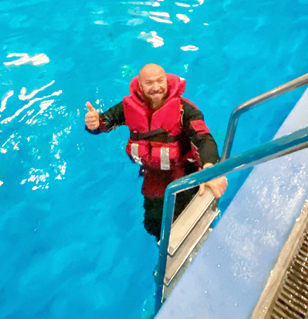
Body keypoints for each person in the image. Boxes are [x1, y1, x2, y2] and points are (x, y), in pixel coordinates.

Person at [85, 64, 227, 240]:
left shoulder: (184, 109)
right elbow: (105, 122)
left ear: (166, 81)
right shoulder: (128, 106)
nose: (156, 87)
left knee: (188, 215)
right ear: (141, 86)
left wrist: (210, 167)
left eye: (160, 81)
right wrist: (94, 124)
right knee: (153, 224)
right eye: (149, 83)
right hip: (153, 173)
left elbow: (203, 137)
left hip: (183, 171)